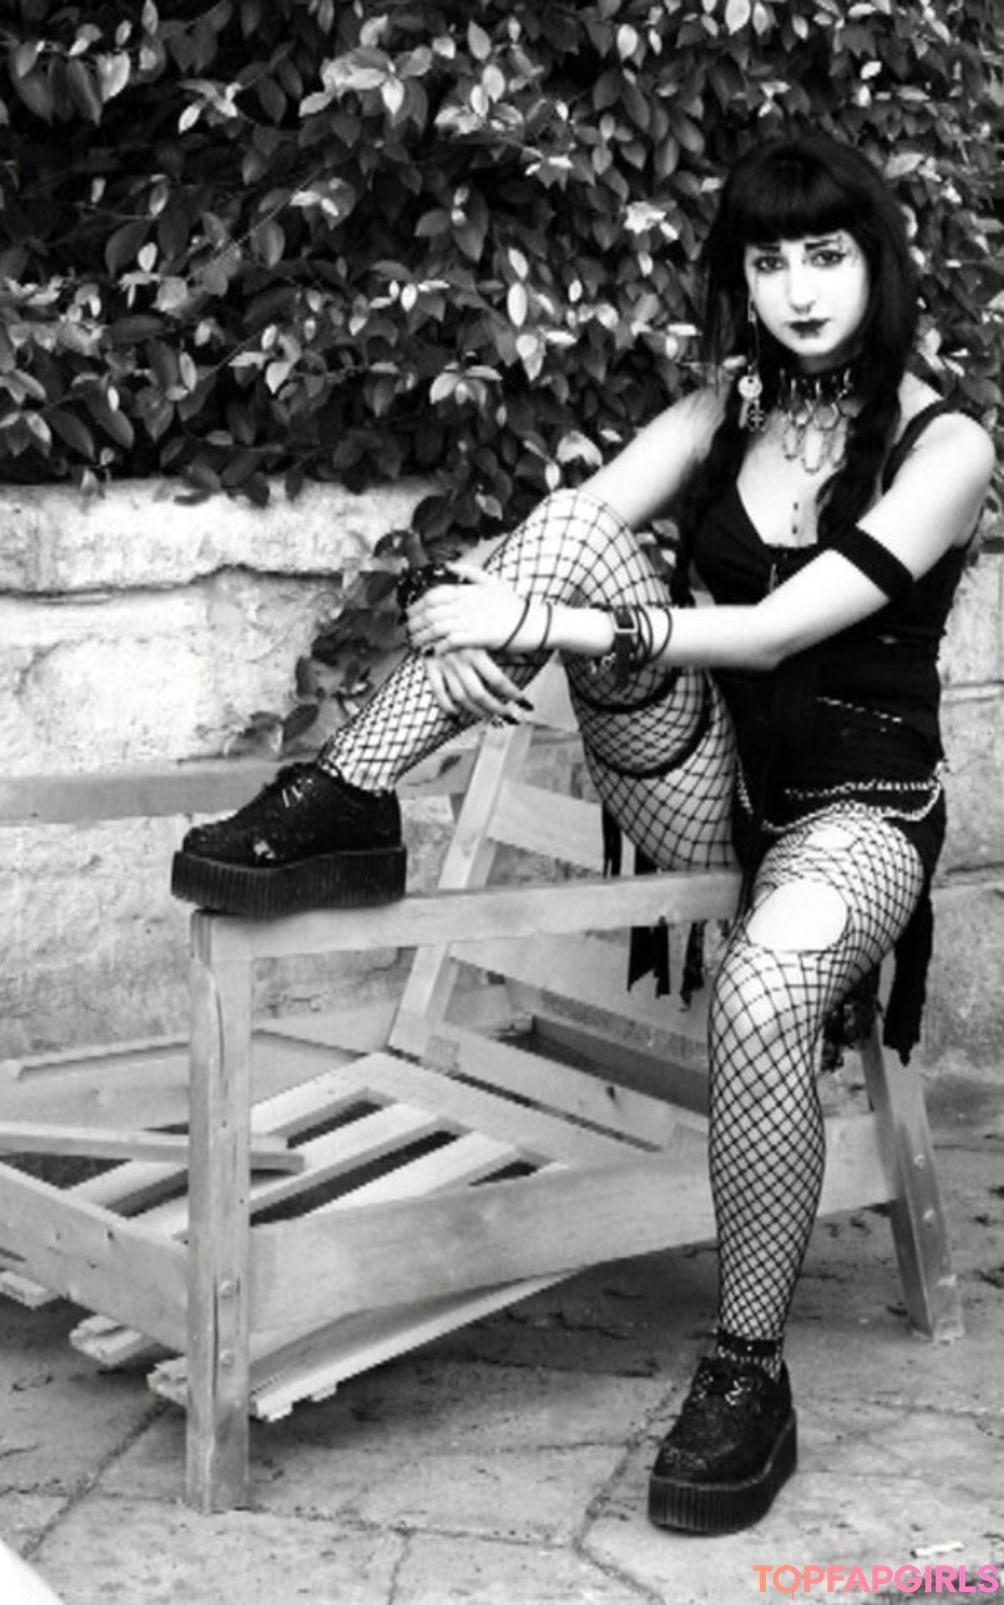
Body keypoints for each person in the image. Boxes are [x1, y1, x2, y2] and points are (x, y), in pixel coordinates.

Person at [171, 131, 995, 1534]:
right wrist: (480, 613)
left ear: (880, 264)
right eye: (770, 261)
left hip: (857, 815)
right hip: (712, 785)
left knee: (768, 988)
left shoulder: (948, 445)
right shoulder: (723, 407)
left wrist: (547, 627)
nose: (799, 290)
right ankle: (348, 796)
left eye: (828, 255)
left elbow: (777, 628)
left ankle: (747, 1372)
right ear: (740, 278)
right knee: (561, 529)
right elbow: (573, 532)